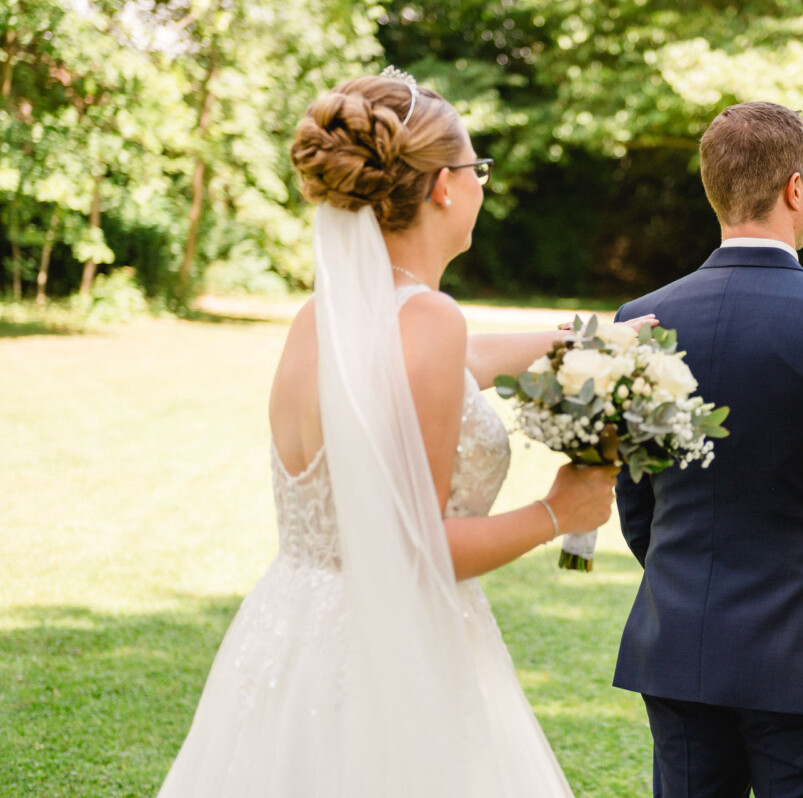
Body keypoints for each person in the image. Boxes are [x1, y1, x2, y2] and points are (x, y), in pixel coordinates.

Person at [158, 69, 651, 797]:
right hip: (386, 657)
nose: (481, 184)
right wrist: (558, 514)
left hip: (292, 636)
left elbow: (466, 361)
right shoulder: (423, 319)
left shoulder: (324, 316)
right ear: (446, 185)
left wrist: (596, 338)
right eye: (477, 168)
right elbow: (411, 552)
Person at [611, 102, 803, 797]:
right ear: (796, 189)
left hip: (680, 648)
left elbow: (635, 495)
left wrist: (682, 585)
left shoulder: (641, 323)